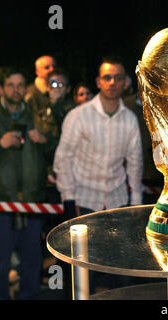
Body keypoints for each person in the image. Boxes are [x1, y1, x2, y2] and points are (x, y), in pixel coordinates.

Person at [0, 68, 54, 299]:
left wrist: (44, 142)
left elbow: (55, 152)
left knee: (32, 262)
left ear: (26, 88)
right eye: (11, 85)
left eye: (20, 85)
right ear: (2, 88)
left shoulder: (36, 118)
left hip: (32, 204)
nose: (16, 90)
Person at [53, 56, 143, 217]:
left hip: (118, 201)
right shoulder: (78, 115)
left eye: (118, 78)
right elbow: (63, 158)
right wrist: (68, 199)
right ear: (98, 82)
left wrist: (136, 200)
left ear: (125, 83)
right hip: (84, 201)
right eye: (107, 77)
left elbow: (135, 161)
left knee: (118, 244)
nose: (112, 82)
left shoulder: (130, 119)